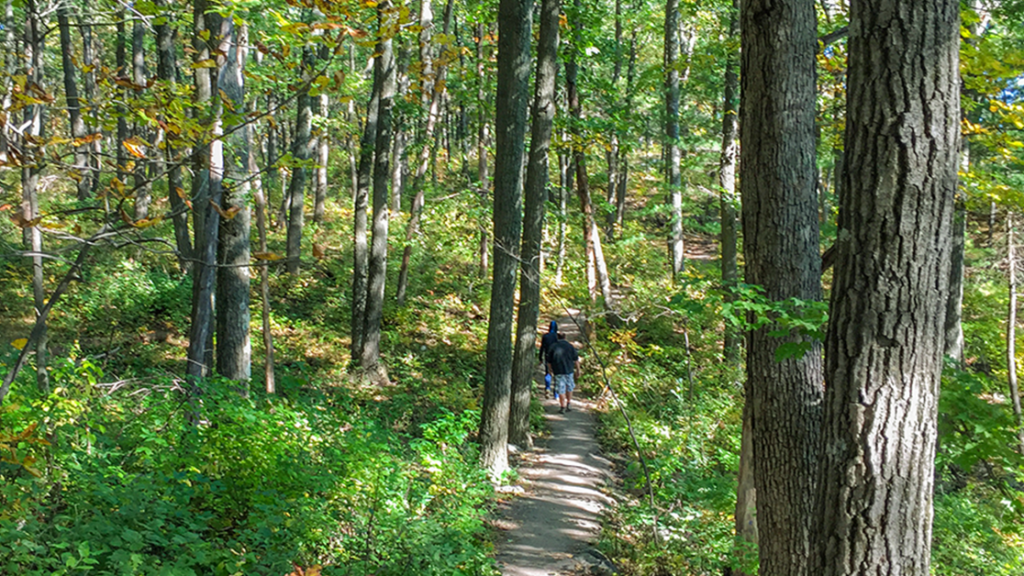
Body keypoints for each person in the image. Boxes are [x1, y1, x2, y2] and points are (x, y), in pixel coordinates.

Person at [546, 333, 579, 414]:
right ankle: (568, 403)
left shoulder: (553, 347)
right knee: (569, 387)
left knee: (561, 389)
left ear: (558, 337)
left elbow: (549, 362)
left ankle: (562, 406)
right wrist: (578, 370)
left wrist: (550, 371)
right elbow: (576, 360)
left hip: (558, 371)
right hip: (569, 370)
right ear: (565, 337)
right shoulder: (570, 346)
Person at [539, 320, 559, 398]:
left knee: (548, 373)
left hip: (548, 356)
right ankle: (556, 394)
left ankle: (547, 388)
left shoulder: (545, 336)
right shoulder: (557, 337)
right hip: (556, 357)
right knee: (557, 374)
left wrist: (540, 357)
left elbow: (542, 348)